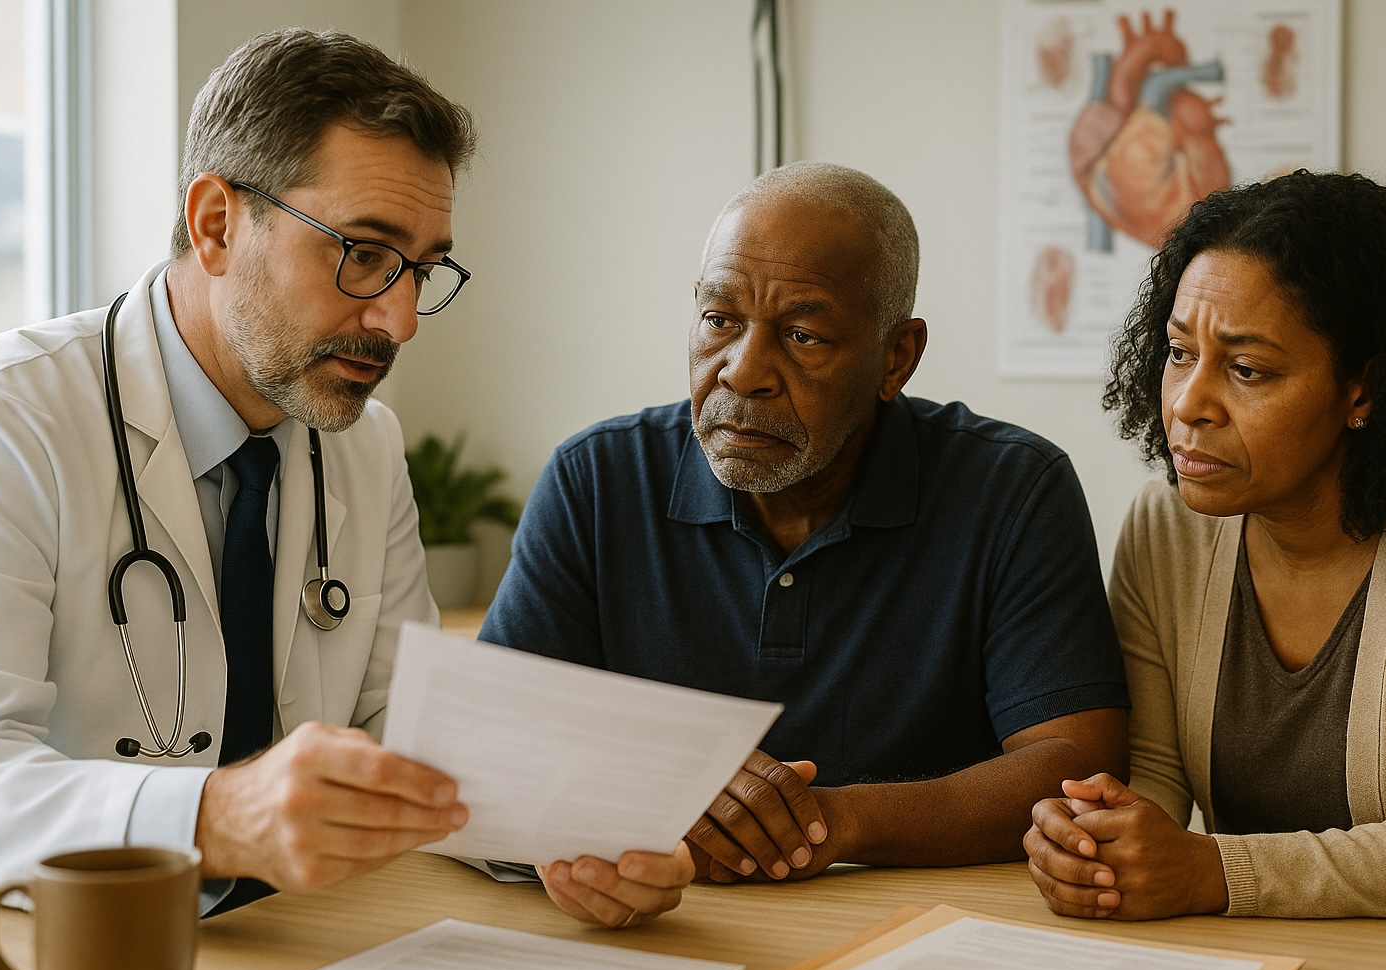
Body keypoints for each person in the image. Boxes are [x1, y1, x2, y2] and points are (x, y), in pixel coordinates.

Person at [0, 28, 688, 928]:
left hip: (297, 943)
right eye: (363, 252)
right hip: (79, 961)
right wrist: (212, 818)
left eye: (422, 268)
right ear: (217, 223)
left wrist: (574, 834)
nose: (400, 320)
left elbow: (402, 741)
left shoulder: (364, 447)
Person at [481, 162, 1130, 884]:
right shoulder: (595, 480)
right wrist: (640, 811)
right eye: (720, 321)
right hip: (660, 924)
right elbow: (485, 752)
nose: (743, 371)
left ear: (897, 358)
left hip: (914, 935)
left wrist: (825, 820)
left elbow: (1076, 767)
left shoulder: (1012, 489)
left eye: (802, 335)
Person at [1024, 170, 1386, 919]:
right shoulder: (1168, 530)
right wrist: (1093, 837)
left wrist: (1215, 873)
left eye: (1246, 369)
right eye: (1177, 353)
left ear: (1365, 389)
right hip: (1243, 965)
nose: (1189, 405)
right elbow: (1155, 777)